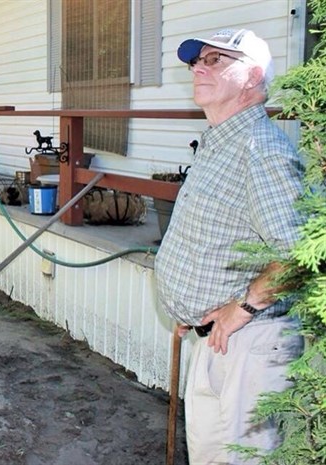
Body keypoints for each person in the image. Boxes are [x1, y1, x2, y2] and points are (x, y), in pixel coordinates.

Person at [155, 29, 304, 464]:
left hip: (249, 346)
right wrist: (187, 308)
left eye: (217, 60)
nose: (199, 67)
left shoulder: (261, 148)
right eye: (197, 61)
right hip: (215, 337)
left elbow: (299, 253)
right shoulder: (222, 139)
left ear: (253, 76)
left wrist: (243, 307)